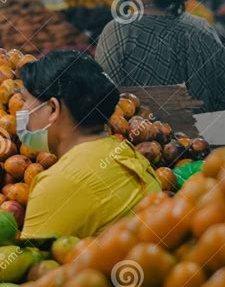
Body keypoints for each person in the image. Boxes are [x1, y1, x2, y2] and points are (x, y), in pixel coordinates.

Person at [18, 51, 160, 239]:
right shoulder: (131, 156)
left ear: (53, 108)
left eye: (25, 100)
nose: (21, 111)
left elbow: (38, 267)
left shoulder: (58, 185)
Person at [96, 0, 225, 112]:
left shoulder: (117, 32)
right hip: (206, 138)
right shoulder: (205, 30)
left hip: (137, 139)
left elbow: (105, 104)